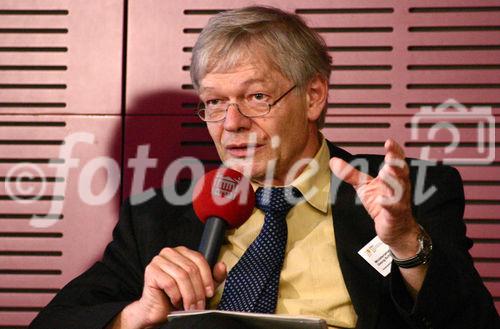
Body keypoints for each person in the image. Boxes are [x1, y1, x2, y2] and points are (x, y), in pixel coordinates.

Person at [30, 6, 499, 329]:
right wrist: (137, 313)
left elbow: (471, 322)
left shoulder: (409, 191)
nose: (231, 123)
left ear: (313, 96)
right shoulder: (157, 214)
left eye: (256, 97)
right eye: (214, 102)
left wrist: (405, 244)